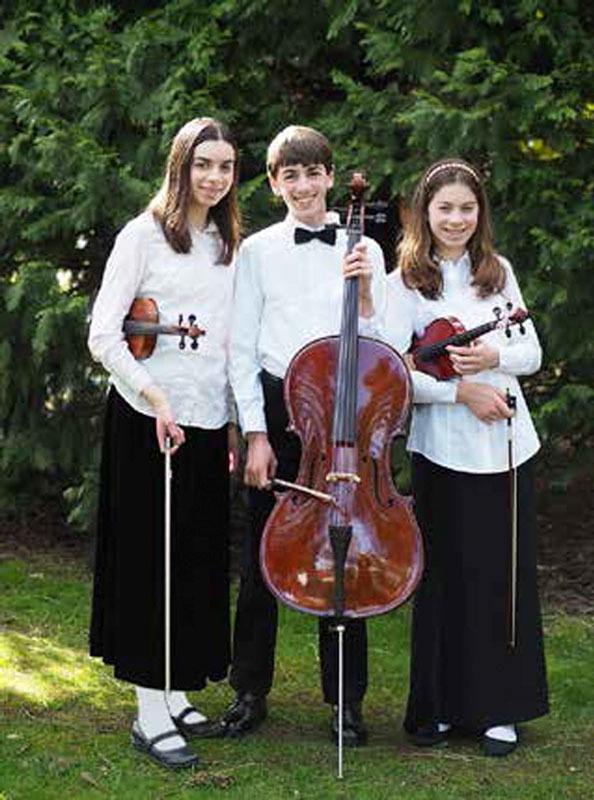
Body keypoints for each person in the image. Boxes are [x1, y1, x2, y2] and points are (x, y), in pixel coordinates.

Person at [218, 125, 386, 745]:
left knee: (342, 553)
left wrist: (367, 286)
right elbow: (240, 347)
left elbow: (384, 339)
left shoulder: (364, 245)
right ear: (273, 183)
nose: (304, 185)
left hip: (341, 416)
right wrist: (255, 434)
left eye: (313, 173)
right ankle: (248, 689)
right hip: (275, 405)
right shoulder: (256, 250)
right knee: (262, 557)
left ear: (331, 177)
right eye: (290, 175)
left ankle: (346, 701)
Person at [88, 117, 240, 769]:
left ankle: (175, 693)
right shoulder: (141, 235)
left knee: (196, 559)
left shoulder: (227, 242)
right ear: (180, 166)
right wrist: (154, 396)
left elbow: (230, 341)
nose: (214, 177)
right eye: (203, 164)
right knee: (154, 564)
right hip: (148, 420)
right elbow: (103, 334)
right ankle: (149, 714)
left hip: (205, 422)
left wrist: (232, 420)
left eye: (226, 166)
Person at [383, 158, 549, 756]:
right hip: (441, 447)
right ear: (425, 214)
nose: (456, 218)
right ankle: (442, 708)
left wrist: (493, 360)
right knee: (445, 578)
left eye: (467, 208)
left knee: (499, 578)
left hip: (505, 444)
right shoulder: (403, 280)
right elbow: (397, 370)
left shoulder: (496, 272)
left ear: (480, 215)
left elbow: (531, 351)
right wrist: (460, 390)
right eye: (445, 208)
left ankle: (500, 709)